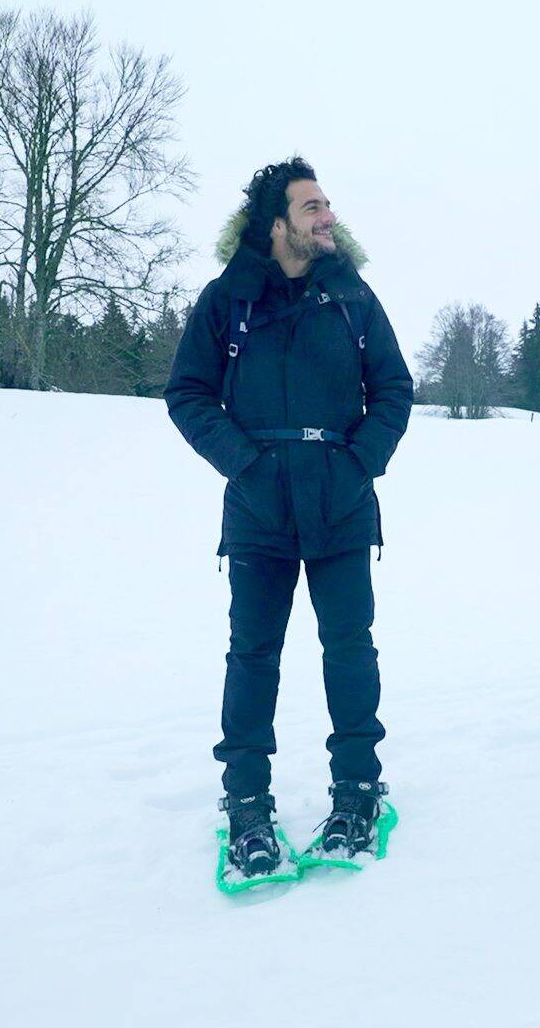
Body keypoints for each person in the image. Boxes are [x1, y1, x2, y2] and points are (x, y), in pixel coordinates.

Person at [165, 157, 413, 873]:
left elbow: (394, 389)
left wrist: (358, 461)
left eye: (327, 204)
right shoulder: (226, 299)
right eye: (312, 207)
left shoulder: (354, 298)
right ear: (276, 225)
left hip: (341, 501)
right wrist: (245, 463)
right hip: (257, 507)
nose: (327, 216)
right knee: (252, 657)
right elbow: (187, 393)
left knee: (349, 650)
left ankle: (358, 792)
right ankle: (247, 803)